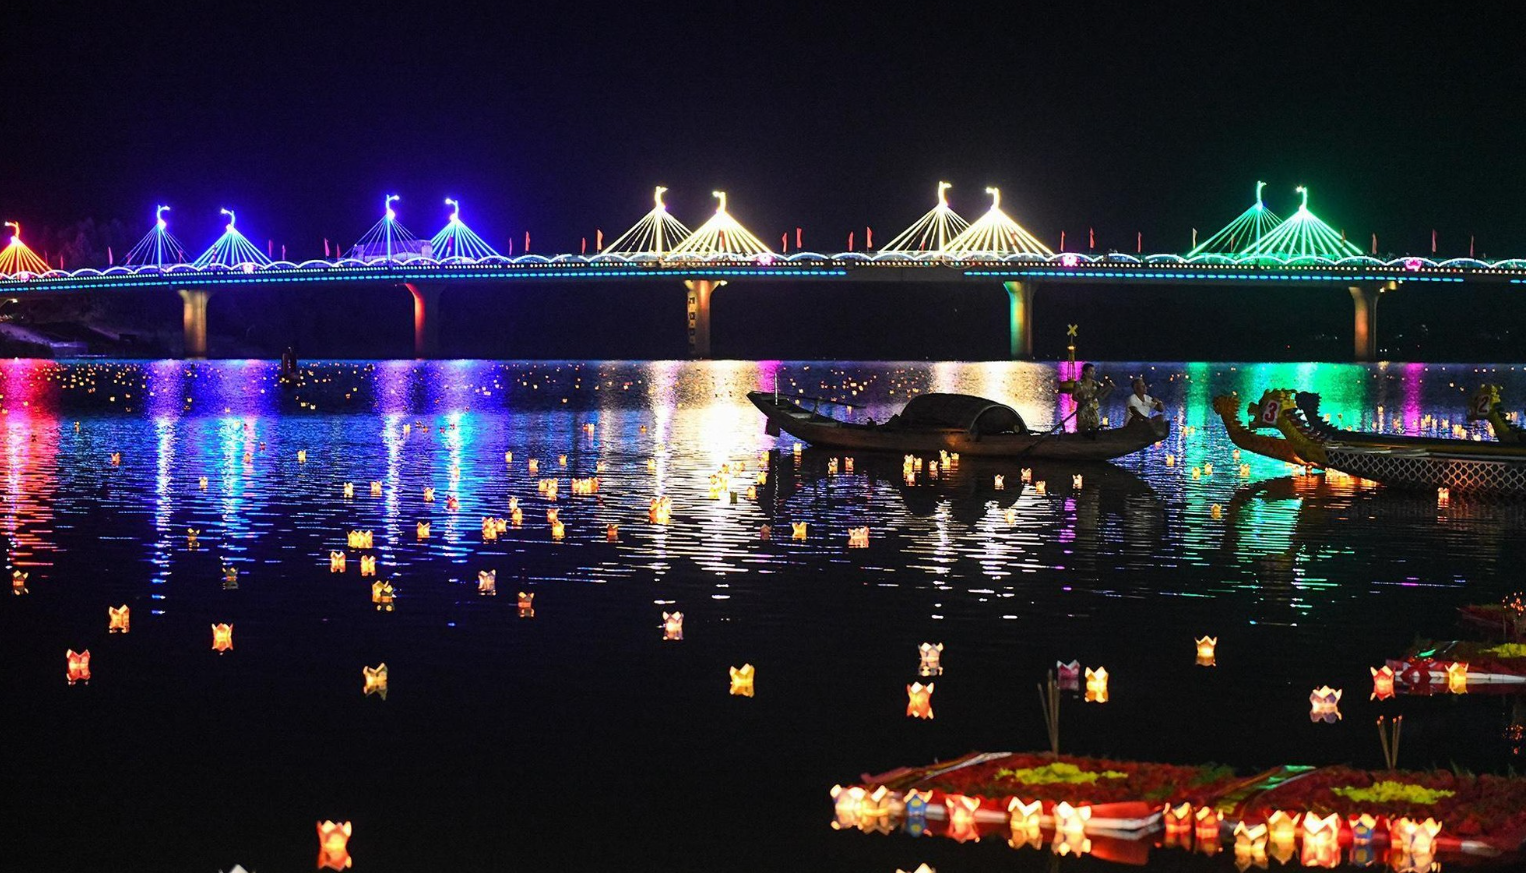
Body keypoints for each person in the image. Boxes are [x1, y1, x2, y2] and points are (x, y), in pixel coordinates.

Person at [1071, 363, 1112, 433]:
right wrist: (1082, 401)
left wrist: (1109, 388)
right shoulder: (1079, 384)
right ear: (1085, 372)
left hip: (1094, 410)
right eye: (1091, 371)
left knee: (1095, 429)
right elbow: (1074, 396)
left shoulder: (1096, 384)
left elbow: (1101, 396)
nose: (1093, 373)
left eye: (1094, 371)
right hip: (1083, 410)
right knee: (1082, 430)